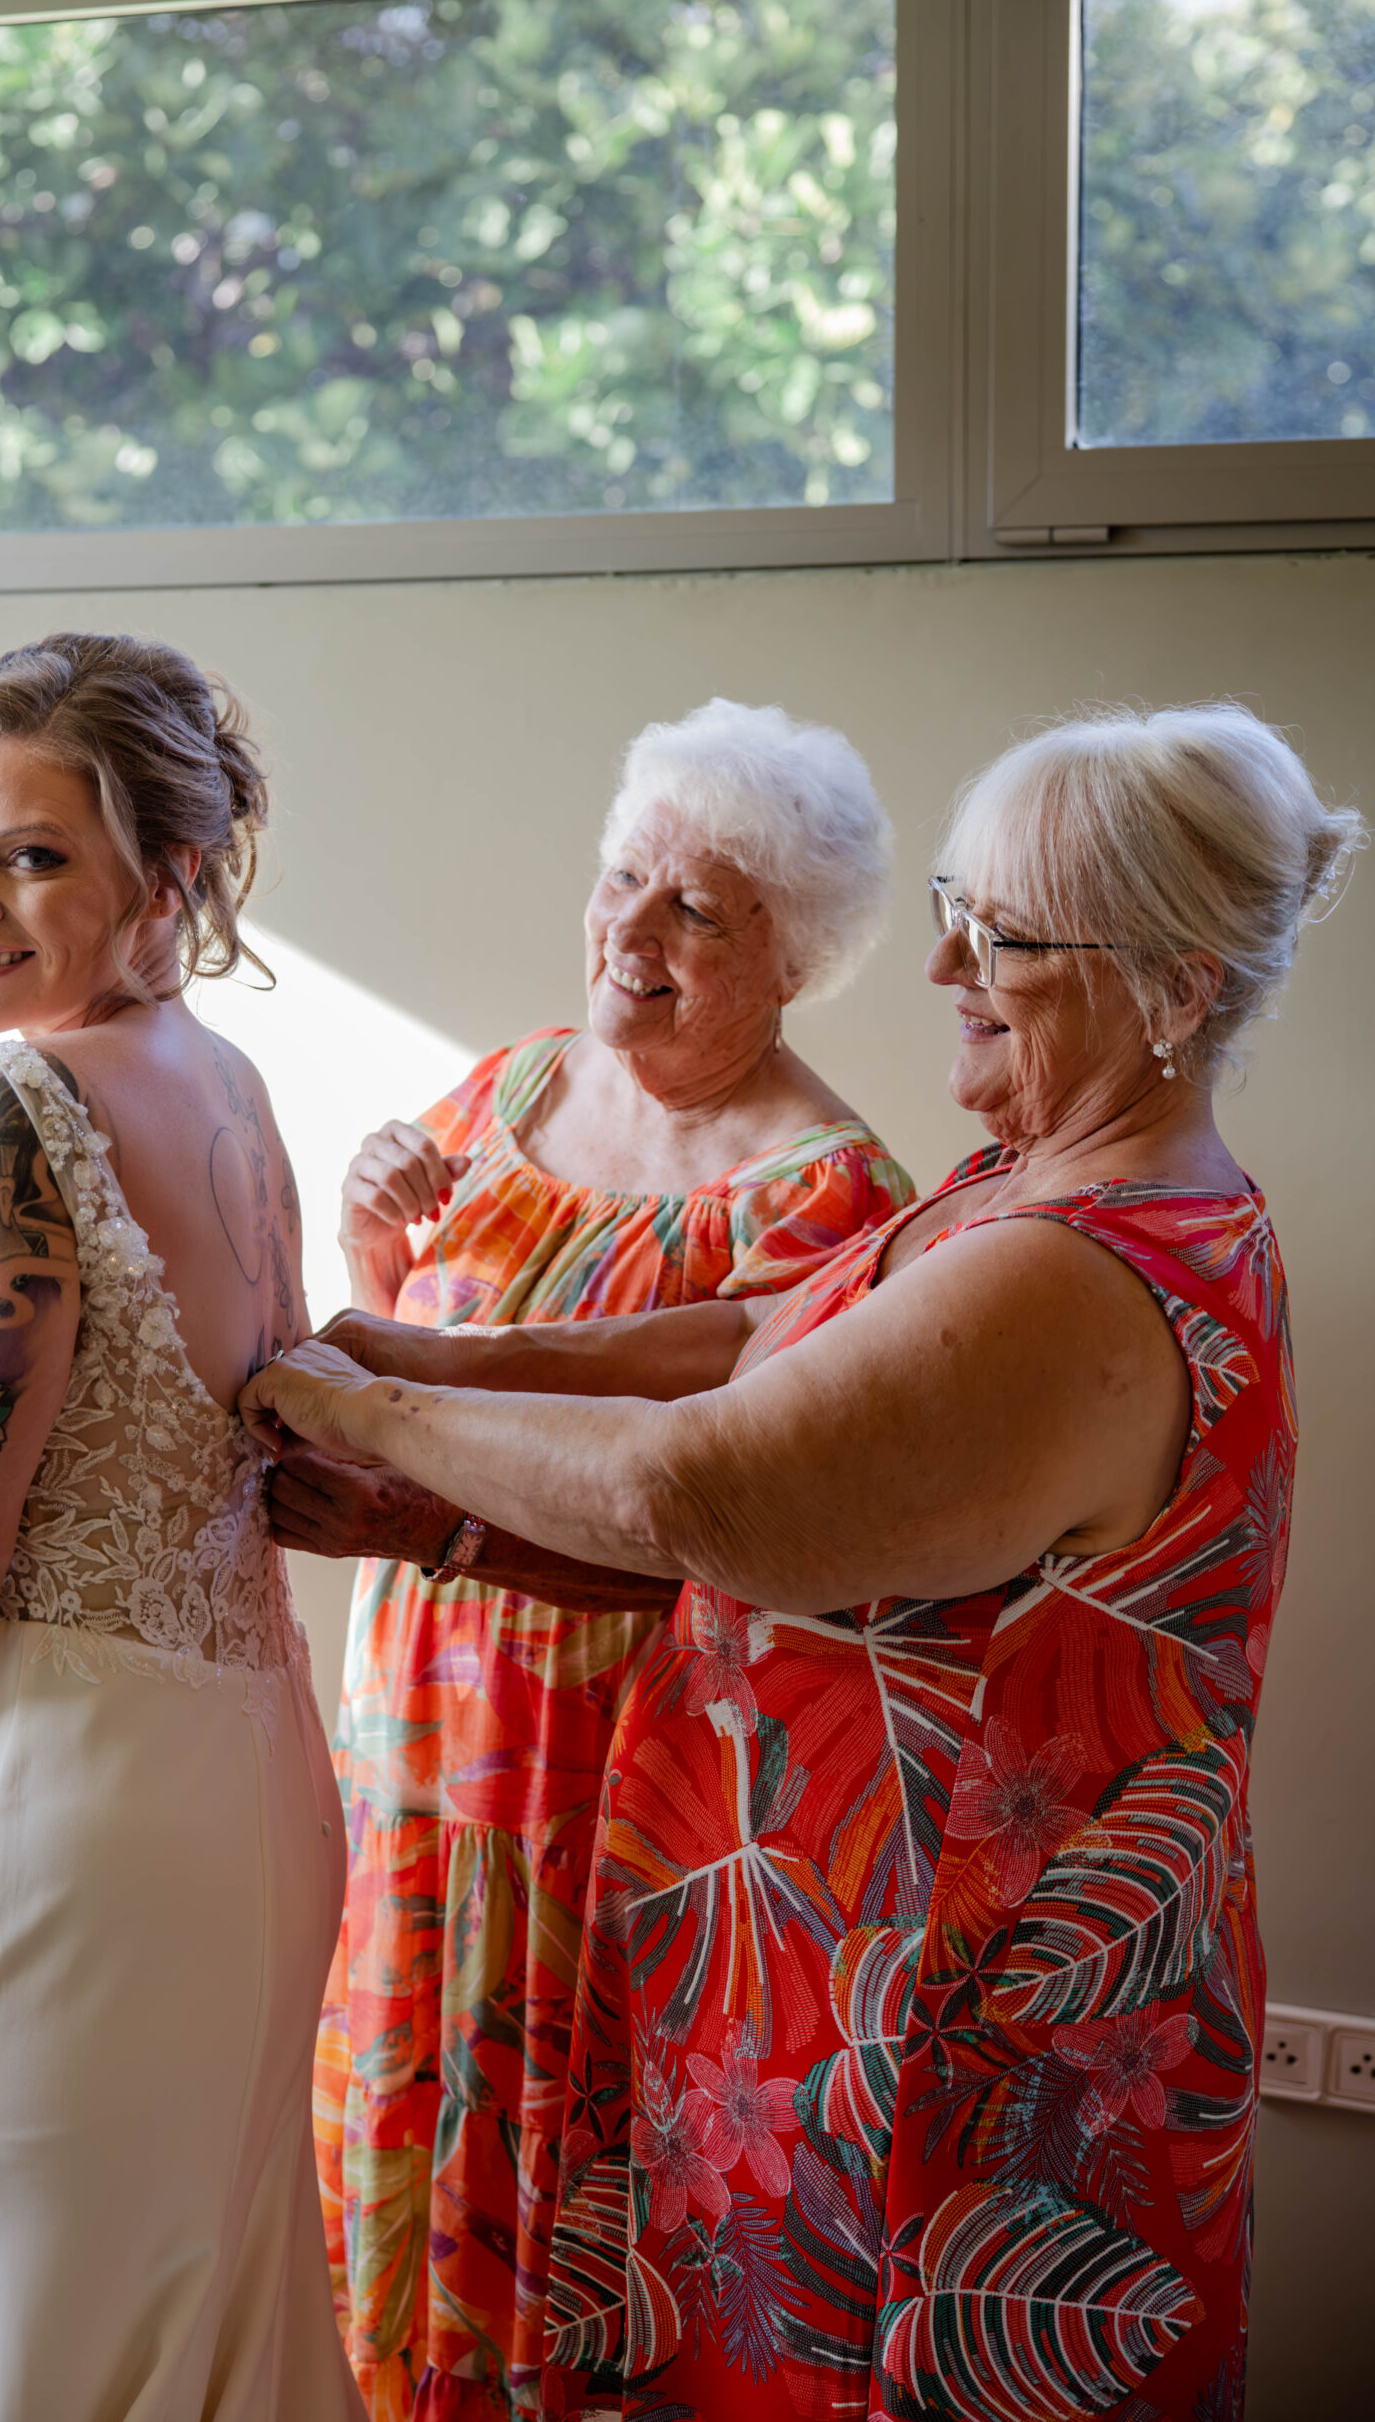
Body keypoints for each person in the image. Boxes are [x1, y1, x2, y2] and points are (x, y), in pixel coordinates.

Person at [242, 703, 1363, 2421]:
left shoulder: (1074, 1272)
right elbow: (755, 1329)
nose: (938, 965)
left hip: (948, 2084)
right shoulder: (1018, 1188)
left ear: (1176, 984)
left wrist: (363, 1415)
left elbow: (697, 1489)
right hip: (834, 2024)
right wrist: (442, 1361)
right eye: (949, 903)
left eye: (1002, 934)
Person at [270, 698, 913, 2419]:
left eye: (696, 911)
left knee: (567, 2200)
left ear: (799, 958)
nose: (630, 933)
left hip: (611, 1799)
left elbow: (769, 1552)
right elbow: (399, 1351)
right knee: (386, 2159)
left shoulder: (825, 1204)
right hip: (412, 1771)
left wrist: (445, 1519)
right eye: (623, 879)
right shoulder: (512, 1084)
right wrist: (371, 1229)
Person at [0, 633, 363, 2422]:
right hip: (253, 1782)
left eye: (35, 855)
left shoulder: (14, 1104)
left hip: (63, 1816)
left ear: (170, 879)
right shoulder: (229, 1090)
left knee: (22, 2354)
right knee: (212, 2332)